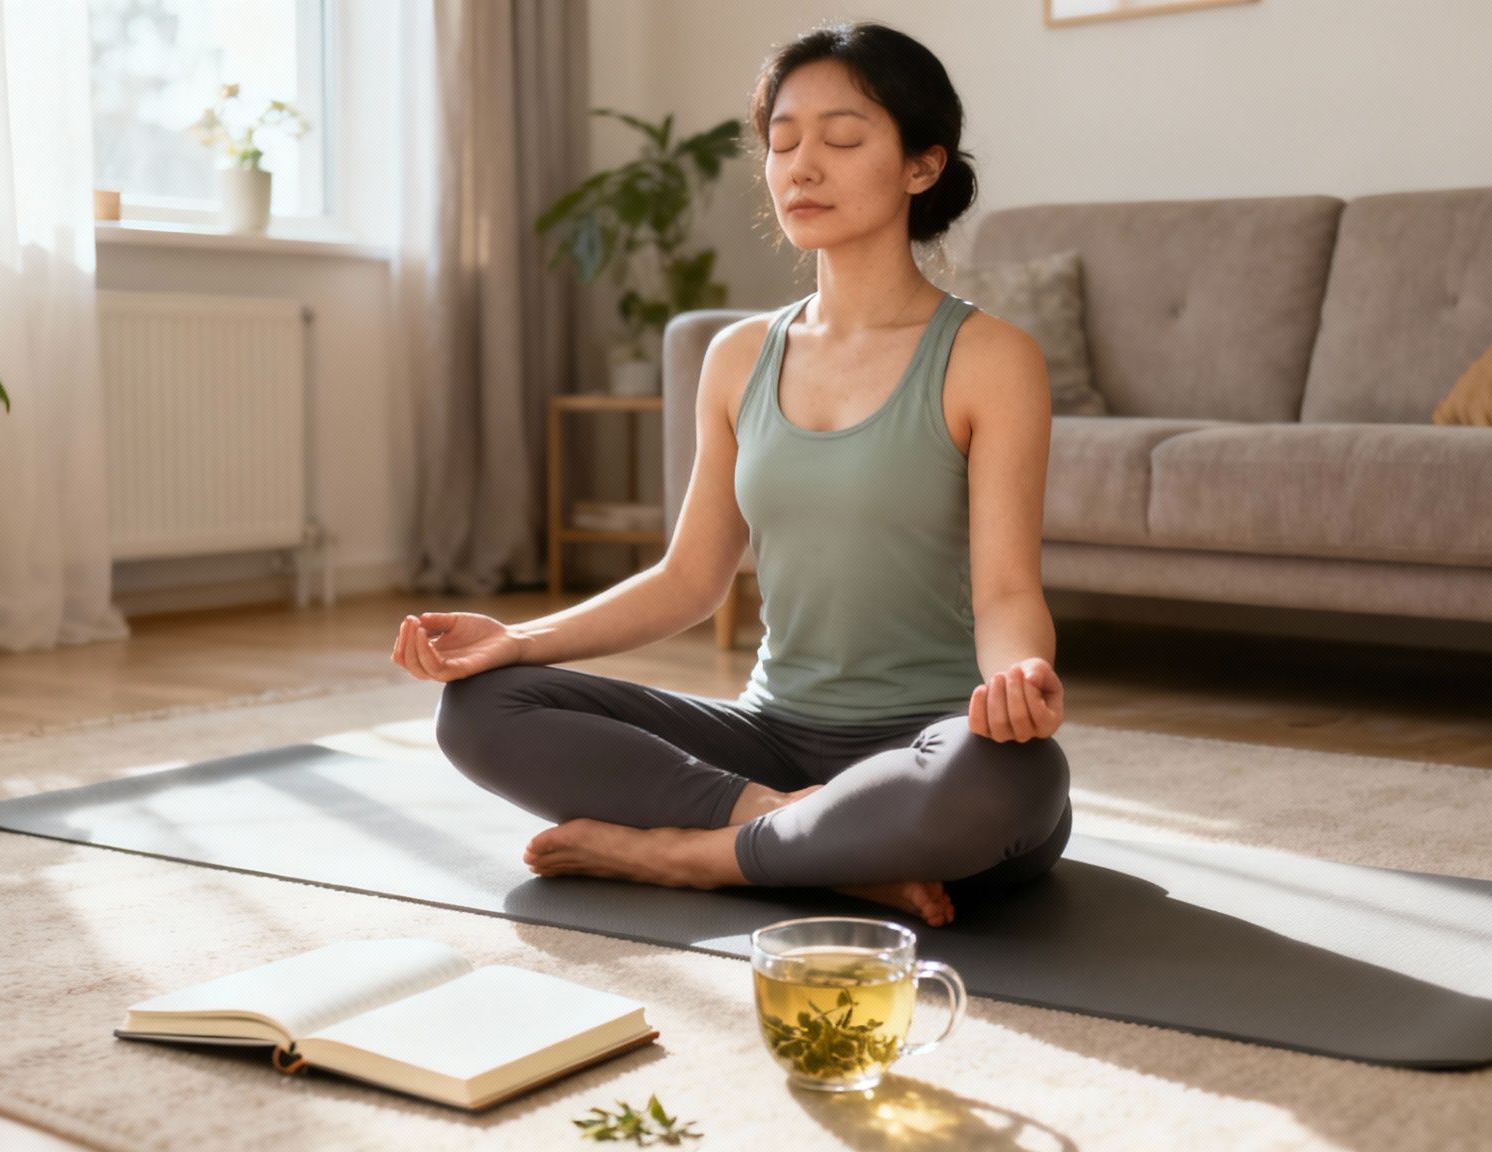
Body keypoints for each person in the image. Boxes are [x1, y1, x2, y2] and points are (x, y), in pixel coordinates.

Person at [398, 21, 1071, 928]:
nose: (802, 166)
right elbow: (688, 581)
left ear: (922, 165)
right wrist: (517, 641)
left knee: (1012, 781)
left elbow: (1004, 591)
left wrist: (1020, 679)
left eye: (841, 138)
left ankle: (689, 858)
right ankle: (797, 840)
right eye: (783, 141)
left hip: (926, 746)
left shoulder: (991, 358)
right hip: (769, 743)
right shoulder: (737, 355)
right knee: (478, 708)